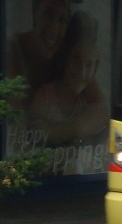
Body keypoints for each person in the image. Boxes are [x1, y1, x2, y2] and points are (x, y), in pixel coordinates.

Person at [27, 10, 108, 147]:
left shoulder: (88, 98)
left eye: (89, 65)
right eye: (76, 59)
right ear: (65, 57)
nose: (82, 72)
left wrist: (56, 131)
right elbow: (32, 140)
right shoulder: (45, 97)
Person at [6, 0, 69, 97]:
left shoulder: (69, 52)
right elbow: (14, 108)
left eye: (62, 19)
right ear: (34, 12)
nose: (54, 29)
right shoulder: (15, 47)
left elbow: (100, 105)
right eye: (48, 14)